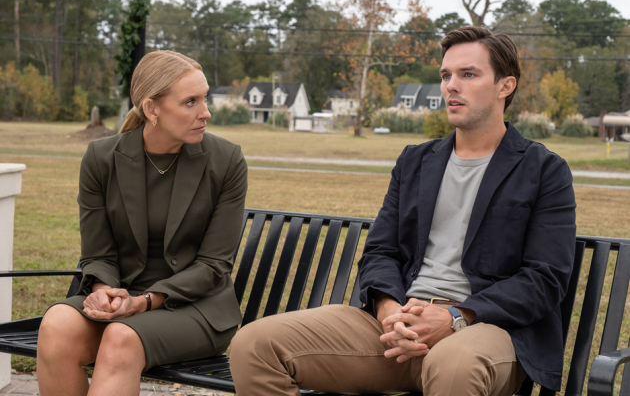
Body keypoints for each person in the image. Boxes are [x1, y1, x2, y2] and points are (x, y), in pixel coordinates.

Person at [229, 26, 576, 396]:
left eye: (468, 74)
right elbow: (380, 252)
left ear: (505, 86)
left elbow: (545, 278)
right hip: (397, 325)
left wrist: (455, 317)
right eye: (446, 75)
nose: (450, 86)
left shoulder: (543, 170)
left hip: (485, 330)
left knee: (454, 367)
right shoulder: (415, 162)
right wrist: (389, 311)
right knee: (255, 344)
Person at [36, 50, 247, 396]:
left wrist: (144, 302)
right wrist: (103, 293)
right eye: (191, 102)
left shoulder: (226, 161)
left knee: (121, 337)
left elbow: (213, 266)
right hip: (124, 296)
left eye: (204, 99)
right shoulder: (101, 159)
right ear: (152, 109)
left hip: (197, 308)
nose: (206, 113)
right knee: (57, 324)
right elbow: (98, 254)